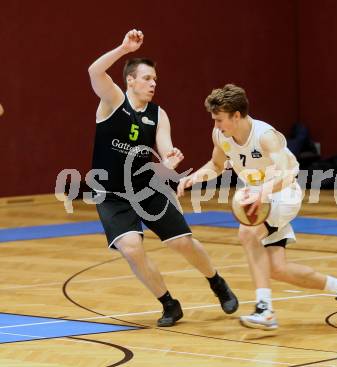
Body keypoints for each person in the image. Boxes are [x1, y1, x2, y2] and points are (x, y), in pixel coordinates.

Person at [177, 84, 337, 330]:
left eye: (219, 119)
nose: (216, 125)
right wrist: (192, 178)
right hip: (260, 197)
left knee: (247, 232)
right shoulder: (220, 135)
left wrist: (263, 191)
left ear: (236, 115)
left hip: (284, 194)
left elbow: (290, 174)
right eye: (214, 120)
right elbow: (216, 164)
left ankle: (265, 310)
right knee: (277, 269)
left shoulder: (265, 136)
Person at [88, 30, 238, 327]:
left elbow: (165, 151)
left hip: (145, 189)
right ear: (130, 80)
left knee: (182, 243)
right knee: (131, 248)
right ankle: (169, 303)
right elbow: (94, 70)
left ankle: (217, 282)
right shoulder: (113, 100)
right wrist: (123, 48)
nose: (153, 83)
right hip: (111, 195)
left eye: (155, 79)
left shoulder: (159, 114)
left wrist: (170, 161)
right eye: (147, 78)